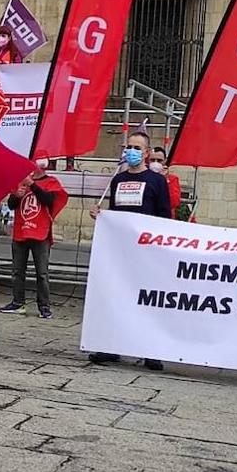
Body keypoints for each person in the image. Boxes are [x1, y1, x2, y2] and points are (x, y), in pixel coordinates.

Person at [89, 131, 171, 371]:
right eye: (129, 147)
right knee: (117, 298)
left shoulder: (156, 182)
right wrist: (101, 216)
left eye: (137, 147)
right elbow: (114, 213)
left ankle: (150, 351)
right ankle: (112, 347)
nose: (131, 151)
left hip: (147, 252)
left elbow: (164, 216)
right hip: (120, 252)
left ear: (146, 153)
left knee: (146, 301)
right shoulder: (118, 180)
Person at [0, 157, 69, 318]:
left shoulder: (51, 181)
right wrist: (17, 195)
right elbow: (11, 204)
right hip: (21, 232)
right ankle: (18, 302)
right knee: (18, 270)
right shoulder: (20, 180)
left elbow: (48, 200)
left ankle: (44, 306)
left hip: (41, 233)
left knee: (42, 273)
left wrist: (32, 184)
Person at [150, 146, 182, 219]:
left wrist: (165, 180)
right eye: (152, 160)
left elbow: (174, 202)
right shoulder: (144, 177)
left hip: (165, 219)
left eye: (159, 160)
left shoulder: (172, 179)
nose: (155, 163)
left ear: (165, 161)